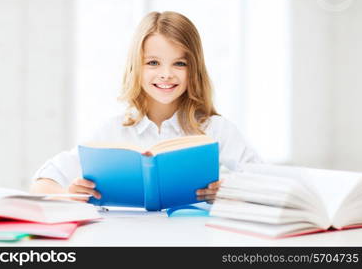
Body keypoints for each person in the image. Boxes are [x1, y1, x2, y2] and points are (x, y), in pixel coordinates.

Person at [30, 11, 261, 203]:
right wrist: (69, 198)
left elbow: (265, 182)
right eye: (153, 63)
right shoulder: (113, 131)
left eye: (180, 63)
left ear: (195, 70)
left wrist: (231, 192)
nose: (166, 74)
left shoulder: (215, 129)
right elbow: (42, 183)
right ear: (136, 67)